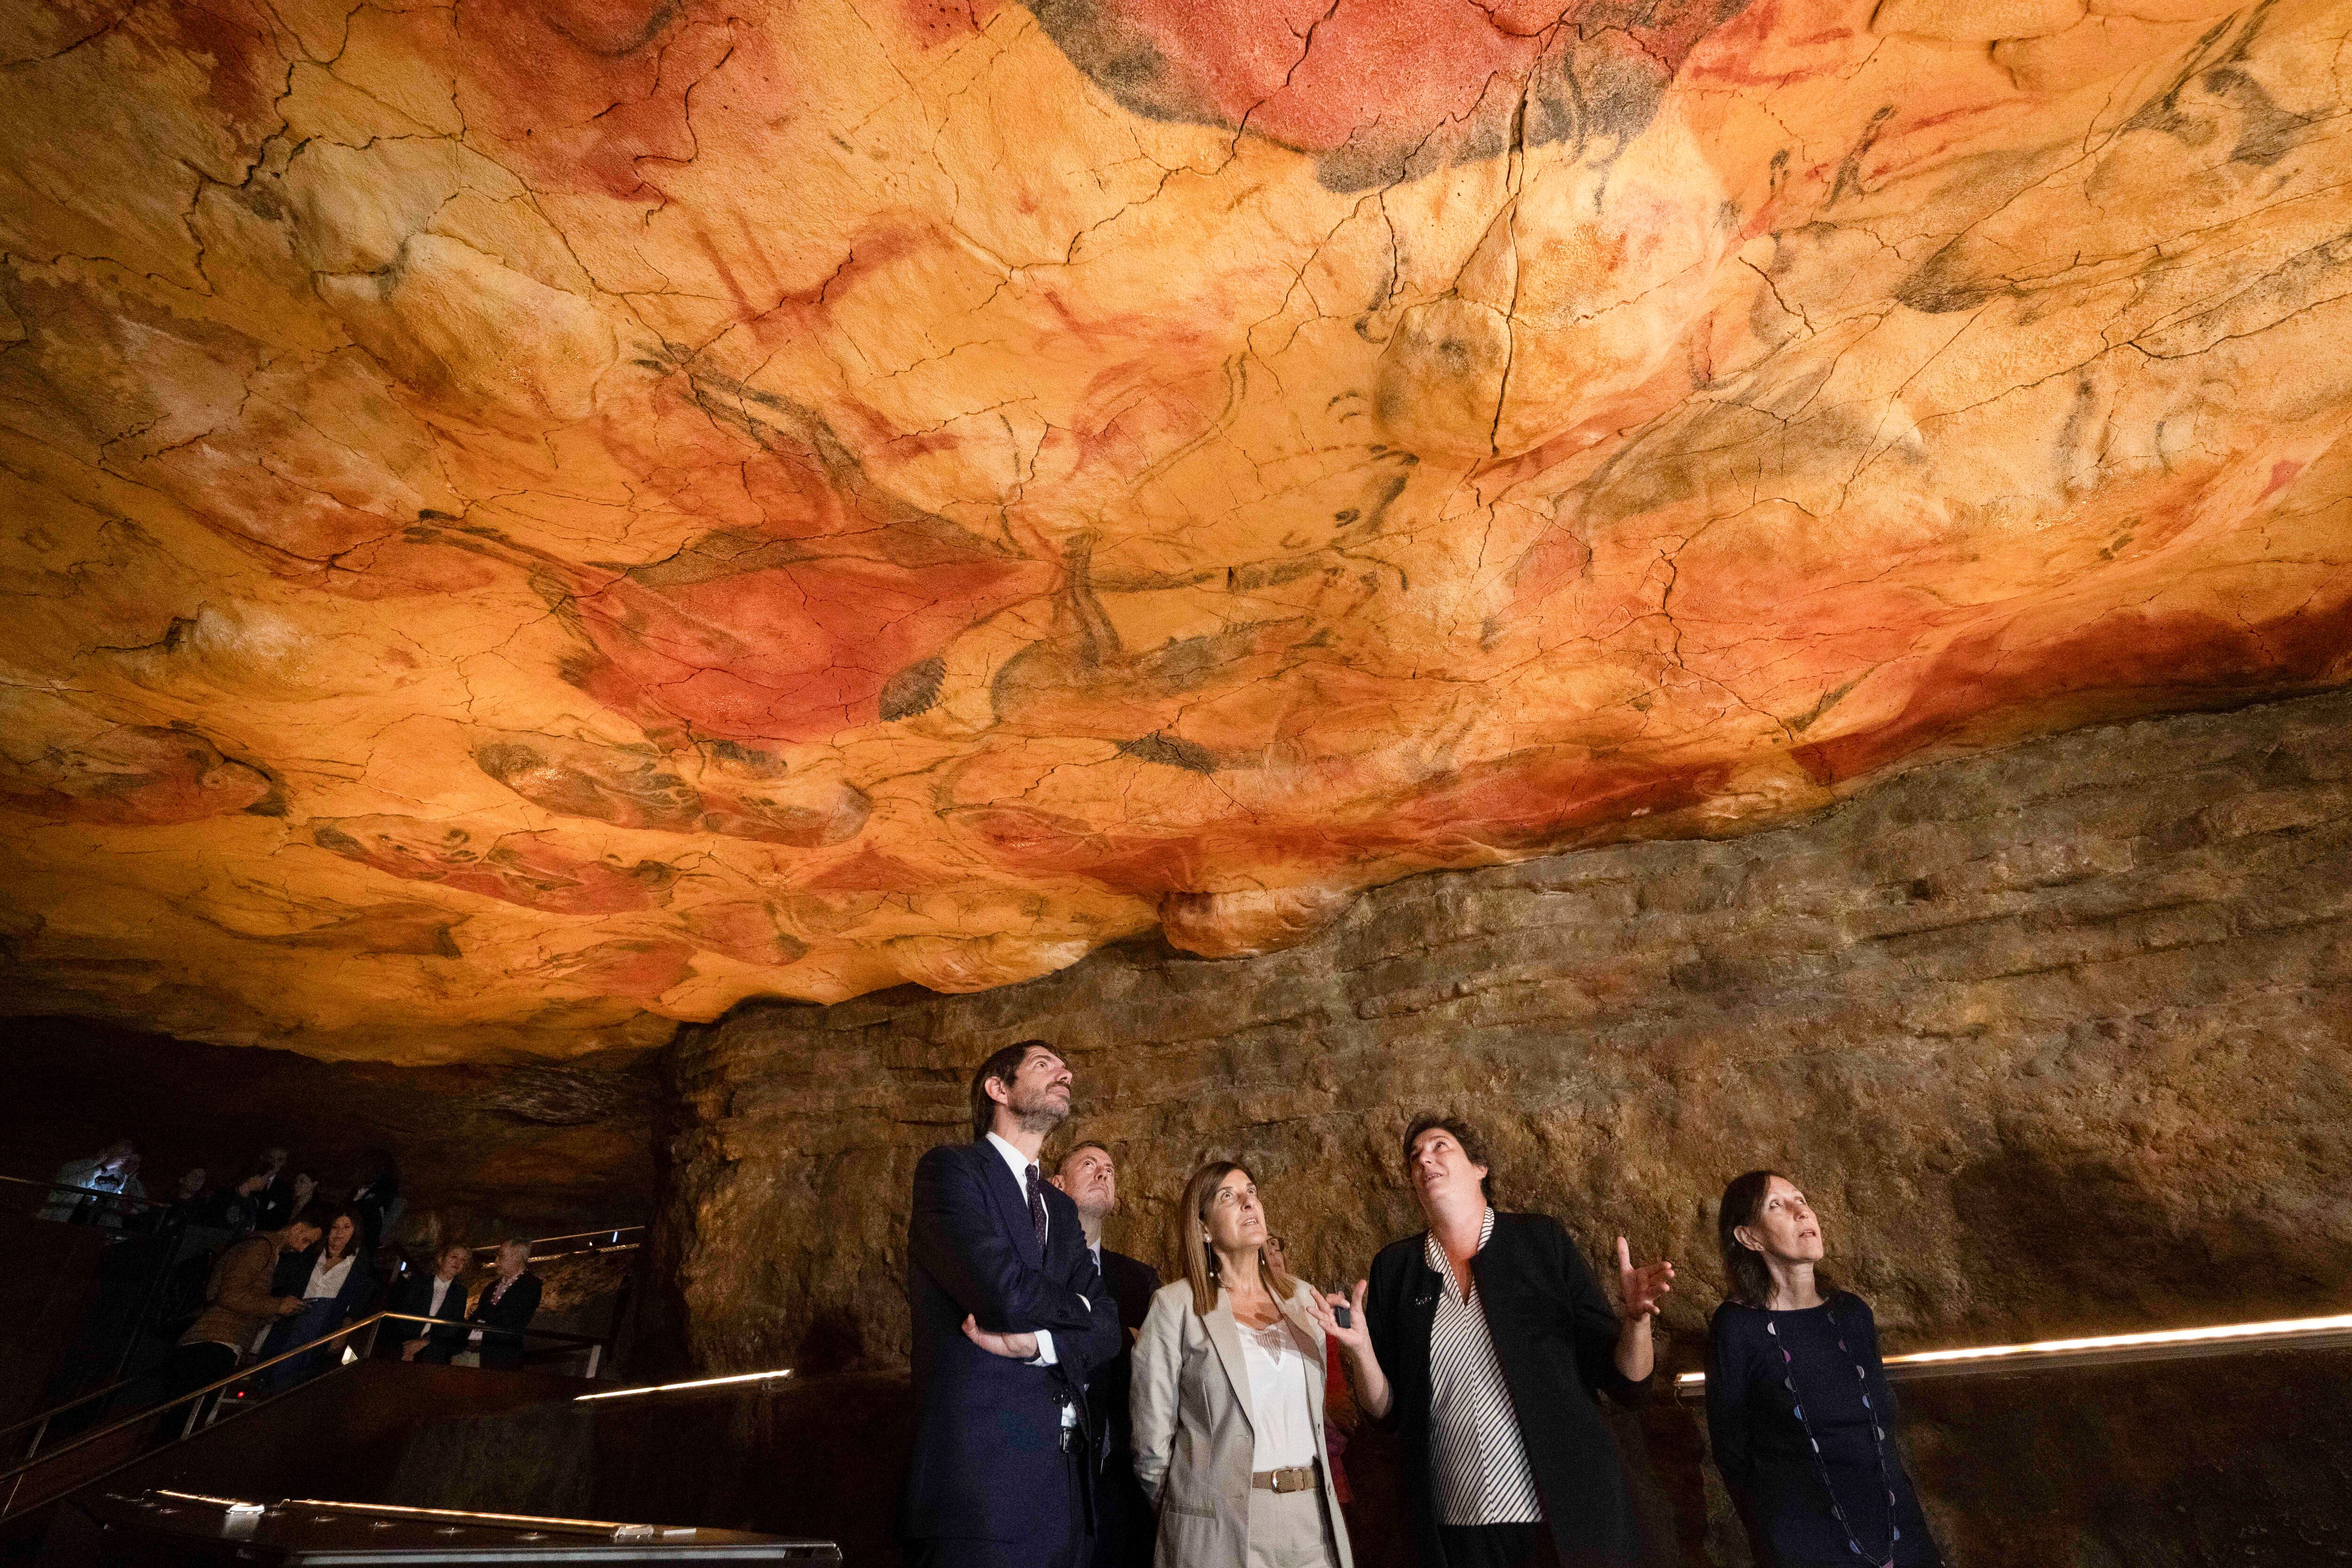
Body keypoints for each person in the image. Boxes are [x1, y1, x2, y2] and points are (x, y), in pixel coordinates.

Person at [1312, 1116, 1673, 1568]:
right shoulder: (1396, 1269)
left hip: (1562, 1519)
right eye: (1414, 1157)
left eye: (1440, 1147)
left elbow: (1628, 1385)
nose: (1424, 1160)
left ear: (1480, 1167)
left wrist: (1636, 1321)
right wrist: (1362, 1350)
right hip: (1457, 1524)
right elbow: (1387, 1414)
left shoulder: (1541, 1242)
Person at [900, 1040, 1123, 1568]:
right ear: (998, 1089)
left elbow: (1110, 1329)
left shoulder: (1060, 1209)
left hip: (1068, 1496)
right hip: (981, 1492)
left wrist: (1040, 1345)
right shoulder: (950, 1172)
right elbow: (1001, 1293)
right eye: (1044, 1065)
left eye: (1064, 1067)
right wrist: (1081, 1311)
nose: (1065, 1073)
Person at [1706, 1172, 1942, 1568]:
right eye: (1776, 1206)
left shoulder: (1852, 1313)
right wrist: (1774, 1545)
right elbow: (1731, 1453)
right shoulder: (1737, 1326)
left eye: (1801, 1200)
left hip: (1896, 1532)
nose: (1801, 1212)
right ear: (1749, 1238)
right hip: (1803, 1544)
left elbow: (1881, 1439)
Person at [1132, 1161, 1354, 1568]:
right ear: (1203, 1228)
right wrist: (1191, 1511)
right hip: (1220, 1524)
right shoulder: (1174, 1306)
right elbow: (1151, 1443)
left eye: (1251, 1192)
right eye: (1228, 1197)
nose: (1249, 1202)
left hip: (1311, 1516)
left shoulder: (1303, 1298)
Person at [1050, 1140, 1160, 1568]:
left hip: (1119, 1483)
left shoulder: (1139, 1281)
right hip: (1047, 1477)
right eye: (1089, 1164)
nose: (1104, 1173)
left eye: (1111, 1170)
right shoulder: (1029, 1273)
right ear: (1057, 1185)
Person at [159, 1205, 323, 1425]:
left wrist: (280, 1310)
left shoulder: (267, 1249)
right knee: (185, 1421)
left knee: (186, 1419)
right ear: (298, 1227)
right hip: (214, 1341)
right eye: (306, 1240)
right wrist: (277, 1305)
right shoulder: (261, 1247)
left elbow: (241, 1299)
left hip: (219, 1341)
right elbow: (231, 1295)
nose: (303, 1249)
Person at [256, 1206, 379, 1392]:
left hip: (327, 1319)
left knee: (305, 1372)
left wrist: (345, 1330)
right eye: (335, 1227)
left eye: (347, 1228)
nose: (340, 1233)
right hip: (295, 1314)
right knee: (279, 1361)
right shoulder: (311, 1252)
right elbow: (287, 1281)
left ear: (355, 1231)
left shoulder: (360, 1260)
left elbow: (360, 1301)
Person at [381, 1242, 475, 1362]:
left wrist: (426, 1341)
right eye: (454, 1257)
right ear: (441, 1259)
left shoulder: (460, 1293)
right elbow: (402, 1312)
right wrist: (410, 1347)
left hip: (433, 1351)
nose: (458, 1263)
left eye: (463, 1260)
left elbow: (453, 1326)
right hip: (403, 1344)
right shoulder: (417, 1283)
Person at [467, 1240, 543, 1370]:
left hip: (505, 1356)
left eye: (501, 1255)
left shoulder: (531, 1286)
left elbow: (515, 1318)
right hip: (480, 1352)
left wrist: (483, 1317)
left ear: (517, 1256)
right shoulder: (491, 1287)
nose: (497, 1260)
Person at [40, 1140, 145, 1227]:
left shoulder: (126, 1181)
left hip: (97, 1231)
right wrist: (104, 1166)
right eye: (122, 1155)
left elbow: (141, 1208)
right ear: (106, 1151)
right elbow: (64, 1187)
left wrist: (128, 1208)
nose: (124, 1161)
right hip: (60, 1222)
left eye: (129, 1159)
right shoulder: (79, 1167)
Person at [250, 1147, 294, 1230]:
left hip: (264, 1233)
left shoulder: (285, 1188)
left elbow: (282, 1218)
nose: (275, 1162)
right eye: (272, 1158)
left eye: (280, 1160)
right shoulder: (252, 1177)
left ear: (285, 1163)